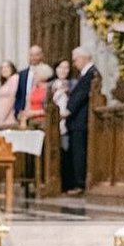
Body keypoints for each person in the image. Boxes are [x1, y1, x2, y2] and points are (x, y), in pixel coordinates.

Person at [66, 47, 96, 194]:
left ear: (84, 58)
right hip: (77, 121)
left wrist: (68, 110)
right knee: (76, 152)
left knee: (79, 153)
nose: (74, 63)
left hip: (81, 120)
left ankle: (80, 184)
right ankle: (77, 182)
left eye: (75, 59)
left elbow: (81, 95)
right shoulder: (86, 74)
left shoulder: (91, 74)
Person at [52, 59, 74, 191]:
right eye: (61, 67)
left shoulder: (73, 84)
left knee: (66, 152)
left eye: (66, 68)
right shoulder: (51, 85)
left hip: (67, 123)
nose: (63, 70)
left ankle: (66, 184)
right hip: (54, 123)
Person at [13, 44, 47, 121]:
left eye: (36, 55)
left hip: (40, 116)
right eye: (31, 55)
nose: (34, 58)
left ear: (42, 55)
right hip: (22, 116)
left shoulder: (47, 73)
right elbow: (18, 95)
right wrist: (18, 112)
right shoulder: (21, 74)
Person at [0, 60, 19, 126]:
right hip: (2, 116)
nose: (4, 69)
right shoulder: (5, 82)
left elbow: (12, 98)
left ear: (12, 68)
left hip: (8, 116)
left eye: (7, 67)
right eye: (2, 68)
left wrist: (3, 116)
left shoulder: (14, 78)